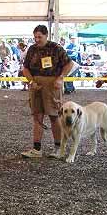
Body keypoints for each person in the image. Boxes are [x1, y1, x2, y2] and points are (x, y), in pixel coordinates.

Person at [21, 25, 73, 159]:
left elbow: (69, 64)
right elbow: (25, 68)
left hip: (52, 85)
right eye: (35, 37)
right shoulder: (32, 49)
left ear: (46, 35)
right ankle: (36, 149)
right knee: (37, 117)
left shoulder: (56, 48)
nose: (37, 40)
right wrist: (31, 82)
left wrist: (61, 78)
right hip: (36, 85)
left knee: (54, 116)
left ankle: (58, 149)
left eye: (40, 37)